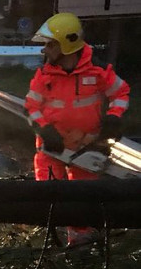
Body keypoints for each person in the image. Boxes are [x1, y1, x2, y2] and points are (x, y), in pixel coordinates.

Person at [25, 12, 130, 247]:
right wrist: (45, 130)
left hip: (86, 149)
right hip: (52, 149)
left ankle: (80, 245)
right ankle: (50, 241)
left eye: (50, 45)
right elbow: (31, 107)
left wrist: (114, 118)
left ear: (66, 44)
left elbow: (121, 92)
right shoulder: (44, 75)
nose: (45, 50)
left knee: (84, 198)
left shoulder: (98, 71)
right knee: (50, 196)